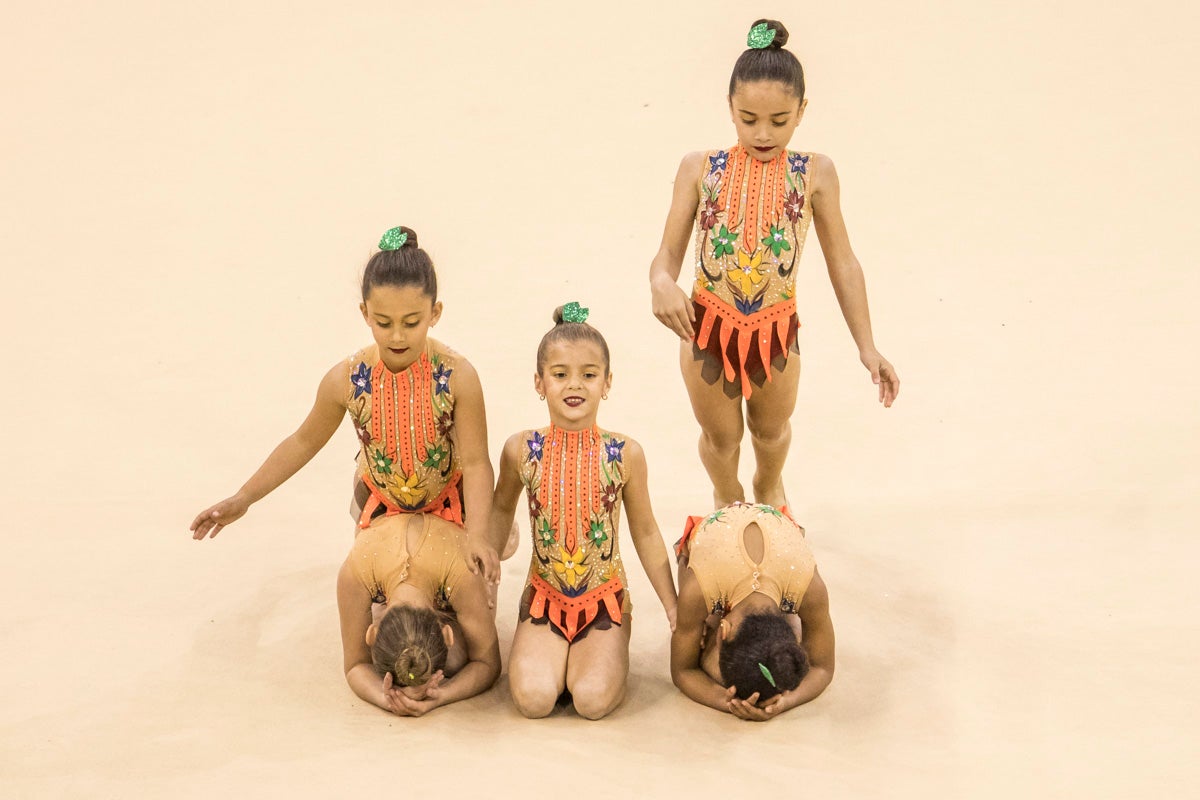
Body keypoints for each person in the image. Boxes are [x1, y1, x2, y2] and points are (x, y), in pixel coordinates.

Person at [648, 19, 900, 510]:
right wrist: (660, 281)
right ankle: (728, 493)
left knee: (771, 432)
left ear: (802, 111)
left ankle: (767, 483)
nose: (763, 133)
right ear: (730, 107)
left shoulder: (815, 173)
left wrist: (867, 346)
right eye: (748, 118)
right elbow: (666, 257)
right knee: (721, 442)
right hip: (708, 330)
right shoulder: (699, 167)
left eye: (779, 121)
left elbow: (843, 263)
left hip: (776, 331)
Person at [190, 226, 500, 580]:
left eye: (411, 322)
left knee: (463, 596)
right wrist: (244, 497)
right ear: (365, 313)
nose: (397, 336)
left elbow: (476, 463)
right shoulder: (347, 379)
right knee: (385, 598)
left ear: (435, 312)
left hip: (450, 499)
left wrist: (477, 534)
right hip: (382, 505)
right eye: (383, 323)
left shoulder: (458, 375)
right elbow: (303, 441)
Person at [487, 303, 678, 720]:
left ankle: (602, 648)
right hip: (545, 598)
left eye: (589, 374)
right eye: (560, 374)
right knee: (534, 700)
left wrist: (672, 604)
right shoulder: (520, 450)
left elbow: (645, 532)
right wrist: (487, 568)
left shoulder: (625, 454)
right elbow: (500, 509)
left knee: (591, 700)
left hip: (604, 600)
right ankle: (555, 654)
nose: (575, 385)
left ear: (607, 382)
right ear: (539, 382)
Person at [670, 502, 834, 720]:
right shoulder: (698, 590)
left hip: (781, 543)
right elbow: (683, 671)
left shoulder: (808, 588)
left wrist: (787, 701)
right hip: (712, 539)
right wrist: (725, 700)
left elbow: (822, 668)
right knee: (721, 667)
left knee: (766, 669)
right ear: (723, 629)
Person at [337, 512, 500, 715]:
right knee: (450, 659)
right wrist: (387, 699)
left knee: (456, 660)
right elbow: (356, 665)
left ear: (373, 633)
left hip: (456, 516)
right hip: (386, 513)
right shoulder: (356, 570)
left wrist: (441, 696)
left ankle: (505, 536)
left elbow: (488, 663)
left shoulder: (464, 571)